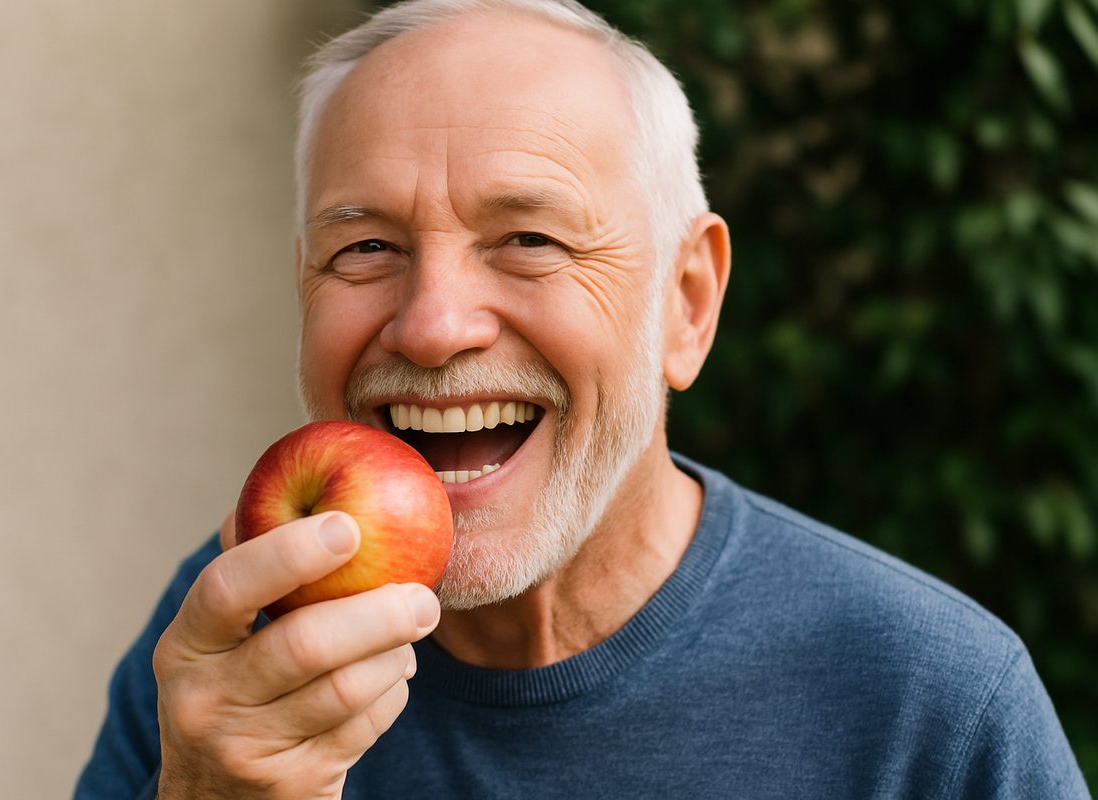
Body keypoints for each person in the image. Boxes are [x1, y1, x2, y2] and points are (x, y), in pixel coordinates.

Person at [75, 1, 1090, 797]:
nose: (433, 326)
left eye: (530, 239)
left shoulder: (929, 700)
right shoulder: (235, 642)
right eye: (366, 248)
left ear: (687, 304)